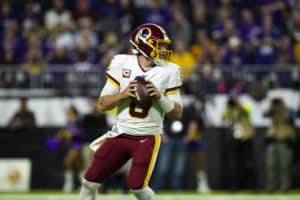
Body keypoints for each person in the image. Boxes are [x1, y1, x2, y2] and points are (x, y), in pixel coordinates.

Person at [78, 23, 183, 200]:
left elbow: (177, 113)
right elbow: (102, 104)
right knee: (89, 182)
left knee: (137, 188)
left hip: (147, 137)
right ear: (144, 44)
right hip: (121, 133)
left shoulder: (170, 71)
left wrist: (159, 97)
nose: (164, 49)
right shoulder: (121, 62)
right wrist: (124, 94)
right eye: (160, 44)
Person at [263, 97, 296, 192]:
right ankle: (271, 187)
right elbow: (264, 115)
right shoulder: (272, 112)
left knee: (285, 166)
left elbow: (293, 117)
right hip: (272, 141)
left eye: (278, 103)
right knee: (270, 165)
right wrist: (271, 107)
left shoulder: (288, 111)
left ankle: (285, 186)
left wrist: (283, 107)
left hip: (285, 141)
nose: (277, 105)